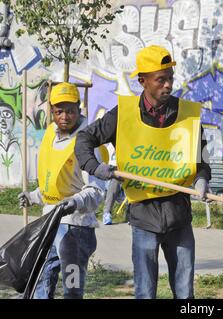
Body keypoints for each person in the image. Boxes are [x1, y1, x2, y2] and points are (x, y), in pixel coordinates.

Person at [75, 45, 211, 299]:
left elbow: (201, 159)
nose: (168, 85)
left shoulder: (188, 116)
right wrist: (95, 167)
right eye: (161, 79)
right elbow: (84, 138)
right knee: (145, 293)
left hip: (179, 216)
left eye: (170, 78)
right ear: (142, 81)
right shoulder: (123, 115)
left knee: (185, 294)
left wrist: (202, 177)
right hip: (143, 218)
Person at [18, 82, 105, 299]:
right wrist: (32, 197)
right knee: (40, 283)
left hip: (75, 229)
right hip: (48, 224)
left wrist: (73, 203)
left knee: (72, 288)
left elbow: (96, 191)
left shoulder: (89, 142)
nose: (64, 116)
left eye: (70, 110)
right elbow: (51, 184)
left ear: (79, 108)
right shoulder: (50, 135)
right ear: (52, 111)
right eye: (59, 111)